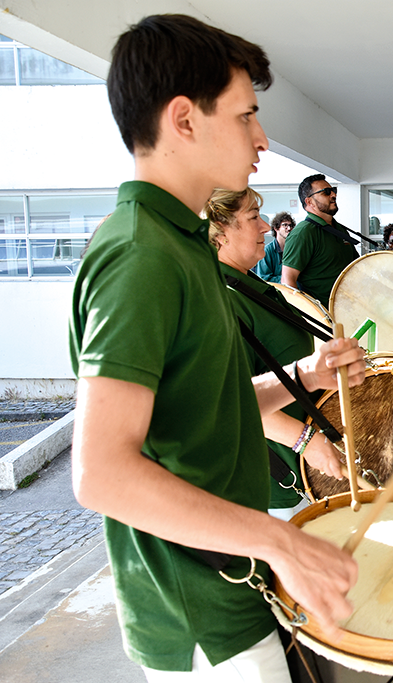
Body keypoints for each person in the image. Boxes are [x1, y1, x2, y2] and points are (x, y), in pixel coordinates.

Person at [69, 15, 365, 680]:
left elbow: (206, 410)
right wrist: (281, 540)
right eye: (246, 116)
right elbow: (101, 472)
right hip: (199, 611)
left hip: (233, 582)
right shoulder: (140, 255)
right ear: (183, 119)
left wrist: (307, 373)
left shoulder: (182, 246)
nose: (262, 139)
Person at [207, 188, 348, 520]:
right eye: (253, 218)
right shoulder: (221, 300)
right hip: (273, 478)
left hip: (299, 461)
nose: (264, 227)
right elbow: (228, 399)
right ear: (220, 233)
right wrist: (306, 441)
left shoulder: (249, 285)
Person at [281, 174, 358, 305]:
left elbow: (356, 266)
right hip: (324, 313)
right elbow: (287, 282)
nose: (333, 195)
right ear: (309, 202)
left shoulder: (339, 229)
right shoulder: (303, 233)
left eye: (333, 190)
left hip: (350, 307)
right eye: (326, 192)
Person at [254, 211, 293, 283]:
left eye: (290, 225)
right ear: (276, 228)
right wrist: (288, 278)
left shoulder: (293, 249)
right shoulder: (266, 251)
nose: (289, 228)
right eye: (285, 225)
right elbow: (264, 278)